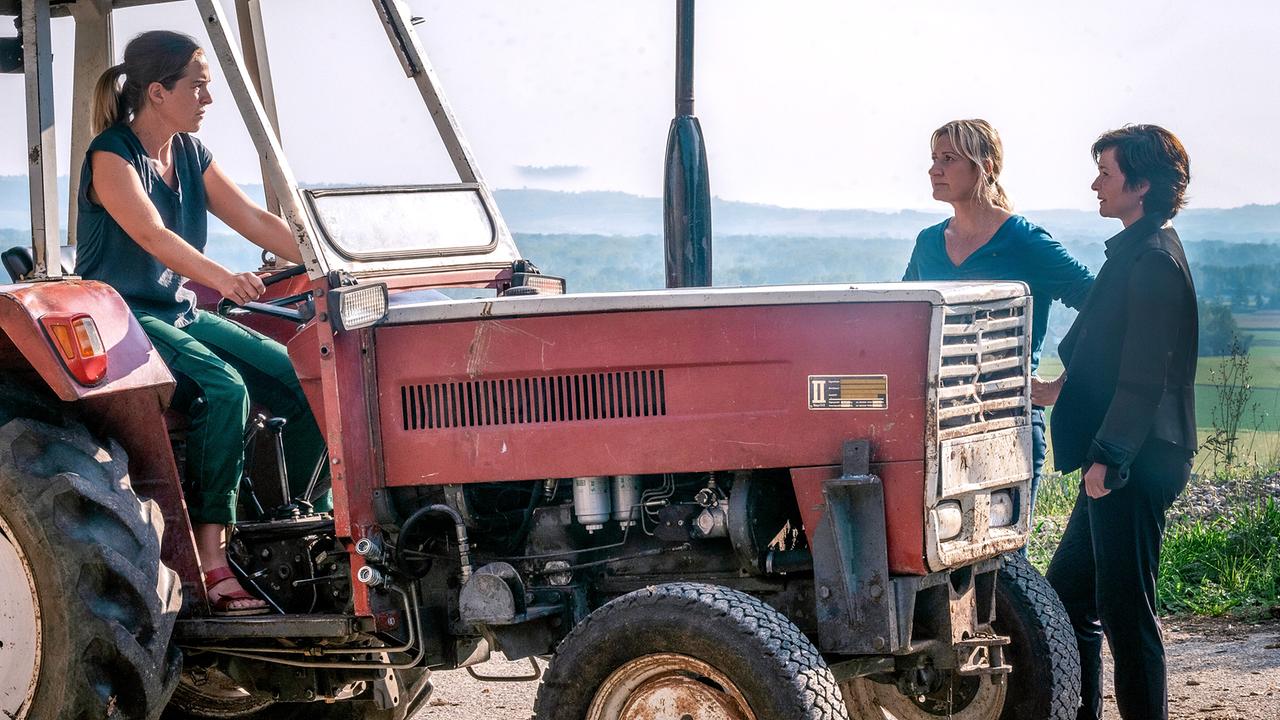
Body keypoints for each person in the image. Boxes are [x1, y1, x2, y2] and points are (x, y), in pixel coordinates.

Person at [78, 30, 328, 615]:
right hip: (124, 316)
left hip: (177, 312)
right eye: (198, 87)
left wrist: (328, 260)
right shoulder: (112, 156)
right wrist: (221, 277)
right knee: (224, 387)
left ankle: (285, 524)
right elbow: (152, 235)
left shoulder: (189, 154)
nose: (206, 100)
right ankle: (214, 560)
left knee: (303, 375)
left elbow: (252, 219)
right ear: (159, 92)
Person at [1034, 125, 1197, 720]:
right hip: (1121, 455)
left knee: (1128, 614)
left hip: (1136, 459)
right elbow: (1106, 347)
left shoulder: (1153, 259)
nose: (1096, 183)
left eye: (1106, 172)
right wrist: (1057, 388)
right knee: (1066, 599)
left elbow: (1145, 377)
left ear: (1142, 183)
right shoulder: (1133, 248)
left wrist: (1109, 456)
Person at [903, 118, 1093, 521]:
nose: (934, 169)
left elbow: (1101, 304)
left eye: (949, 159)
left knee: (1004, 565)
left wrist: (1068, 384)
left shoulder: (1023, 240)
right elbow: (904, 322)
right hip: (940, 429)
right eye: (934, 158)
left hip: (1008, 423)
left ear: (985, 167)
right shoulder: (928, 243)